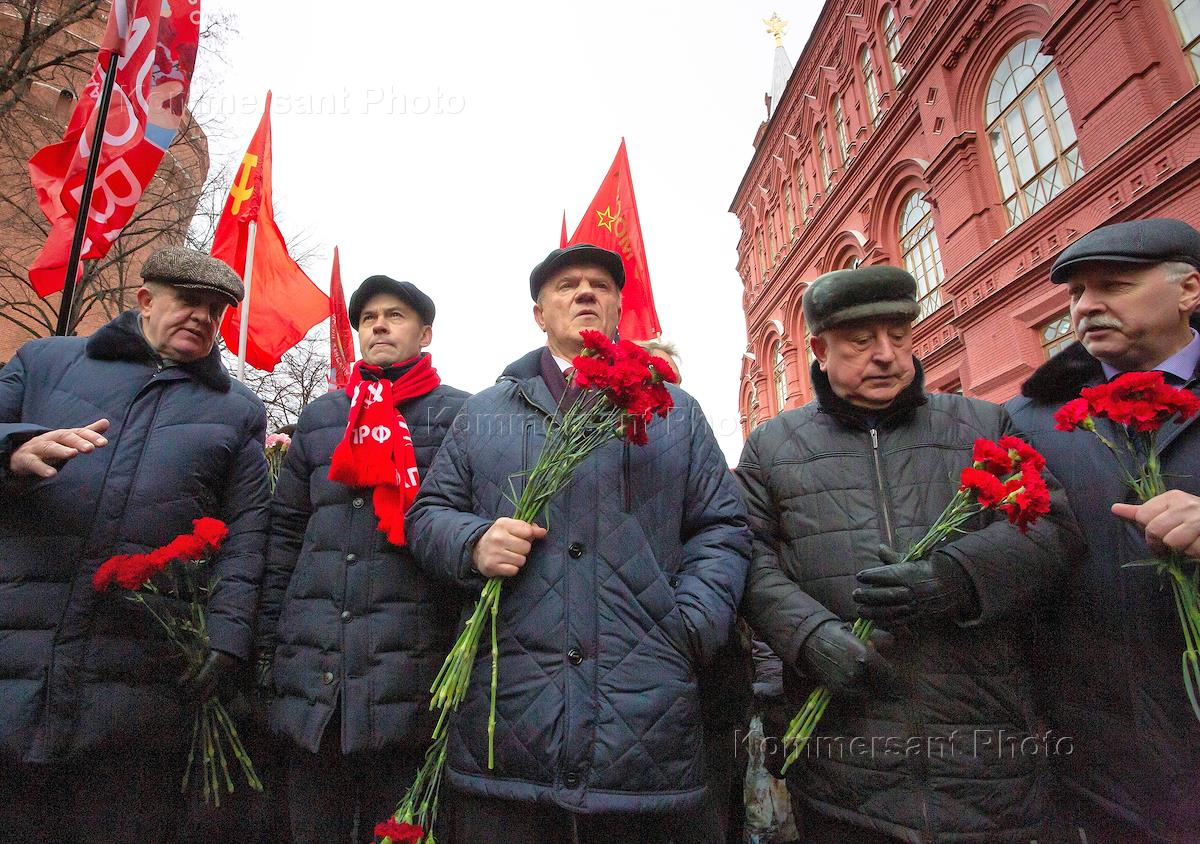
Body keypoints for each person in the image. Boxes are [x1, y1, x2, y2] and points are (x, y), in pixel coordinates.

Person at [406, 243, 750, 843]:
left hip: (644, 720)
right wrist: (472, 543)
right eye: (567, 285)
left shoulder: (675, 413)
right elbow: (428, 515)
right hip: (507, 716)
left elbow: (720, 526)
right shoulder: (485, 411)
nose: (586, 293)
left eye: (601, 285)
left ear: (620, 309)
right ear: (539, 313)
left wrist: (687, 624)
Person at [737, 266, 1082, 843]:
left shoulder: (979, 422)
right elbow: (747, 559)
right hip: (845, 765)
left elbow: (1052, 528)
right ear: (819, 350)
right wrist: (809, 636)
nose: (887, 356)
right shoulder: (774, 446)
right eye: (860, 341)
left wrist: (956, 578)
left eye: (899, 335)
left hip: (984, 755)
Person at [0, 246, 270, 844]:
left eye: (217, 309)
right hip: (18, 644)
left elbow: (249, 534)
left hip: (136, 679)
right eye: (189, 301)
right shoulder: (46, 362)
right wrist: (12, 449)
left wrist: (226, 638)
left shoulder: (237, 411)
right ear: (146, 300)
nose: (203, 316)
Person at [255, 276, 469, 844]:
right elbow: (285, 534)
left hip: (409, 681)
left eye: (395, 315)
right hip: (314, 680)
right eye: (369, 316)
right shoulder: (324, 416)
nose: (378, 324)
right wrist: (268, 646)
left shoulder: (459, 416)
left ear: (424, 334)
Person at [1007, 217, 1200, 843]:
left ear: (1189, 290)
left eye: (1112, 286)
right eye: (1075, 295)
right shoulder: (1030, 421)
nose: (1086, 307)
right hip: (1106, 762)